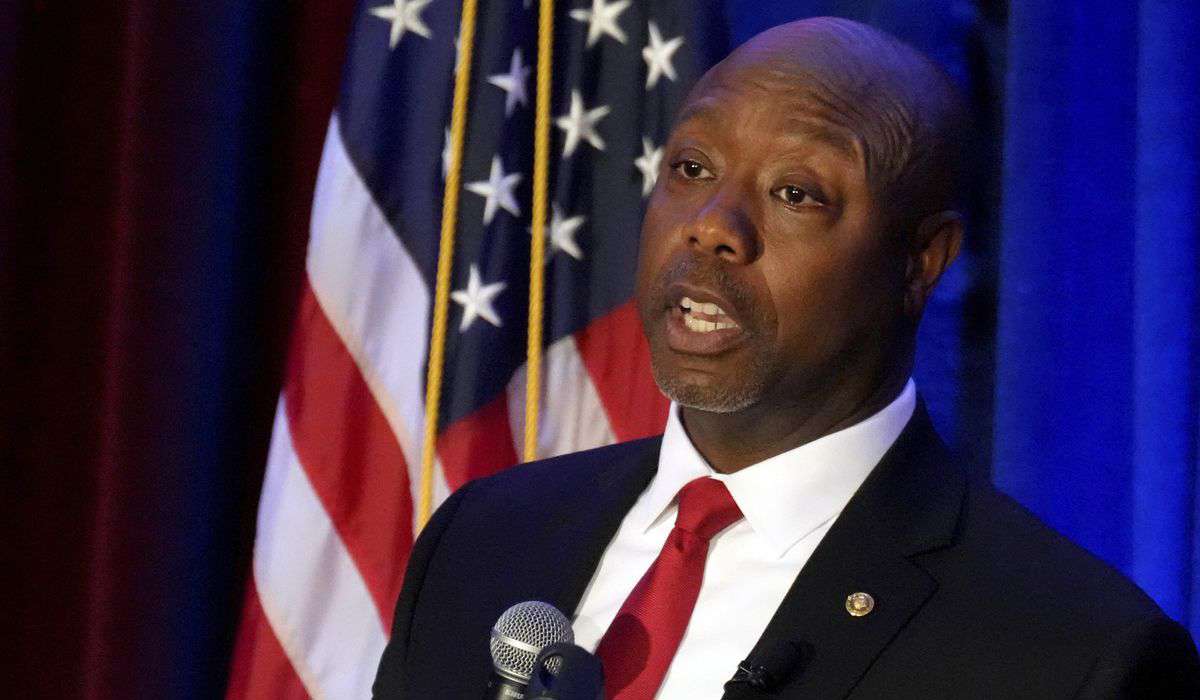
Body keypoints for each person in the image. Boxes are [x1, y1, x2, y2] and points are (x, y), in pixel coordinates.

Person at [373, 17, 1200, 699]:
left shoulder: (1073, 657)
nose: (712, 225)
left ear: (921, 261)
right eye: (691, 168)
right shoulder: (483, 540)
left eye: (795, 193)